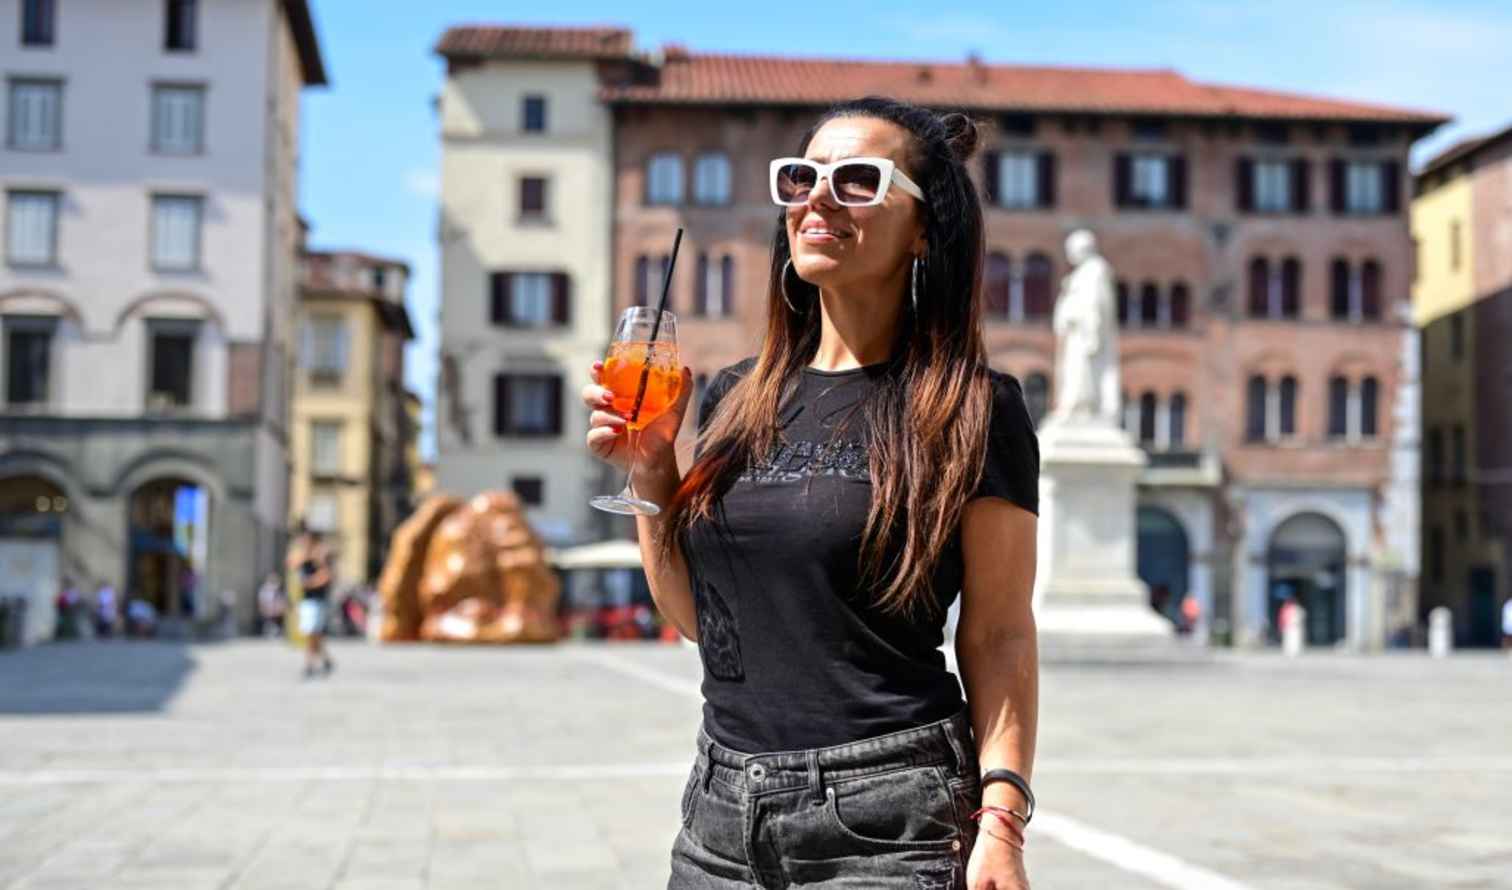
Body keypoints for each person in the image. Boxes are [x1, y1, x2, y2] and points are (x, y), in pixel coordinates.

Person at [584, 97, 1039, 889]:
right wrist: (652, 469)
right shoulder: (736, 397)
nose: (817, 198)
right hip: (720, 813)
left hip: (889, 813)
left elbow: (999, 635)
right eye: (801, 178)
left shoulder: (973, 408)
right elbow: (702, 622)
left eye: (858, 180)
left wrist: (1002, 818)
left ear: (924, 228)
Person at [286, 525, 335, 678]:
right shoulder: (304, 555)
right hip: (307, 600)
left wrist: (310, 582)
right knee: (314, 634)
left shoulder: (321, 555)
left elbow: (327, 576)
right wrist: (306, 555)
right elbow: (291, 563)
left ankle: (309, 664)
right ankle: (325, 660)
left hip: (318, 599)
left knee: (312, 633)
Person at [256, 573, 287, 638]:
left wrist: (281, 607)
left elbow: (282, 599)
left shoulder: (279, 588)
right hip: (269, 609)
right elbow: (262, 600)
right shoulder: (265, 589)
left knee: (277, 623)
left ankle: (276, 633)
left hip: (276, 610)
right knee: (269, 623)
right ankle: (270, 632)